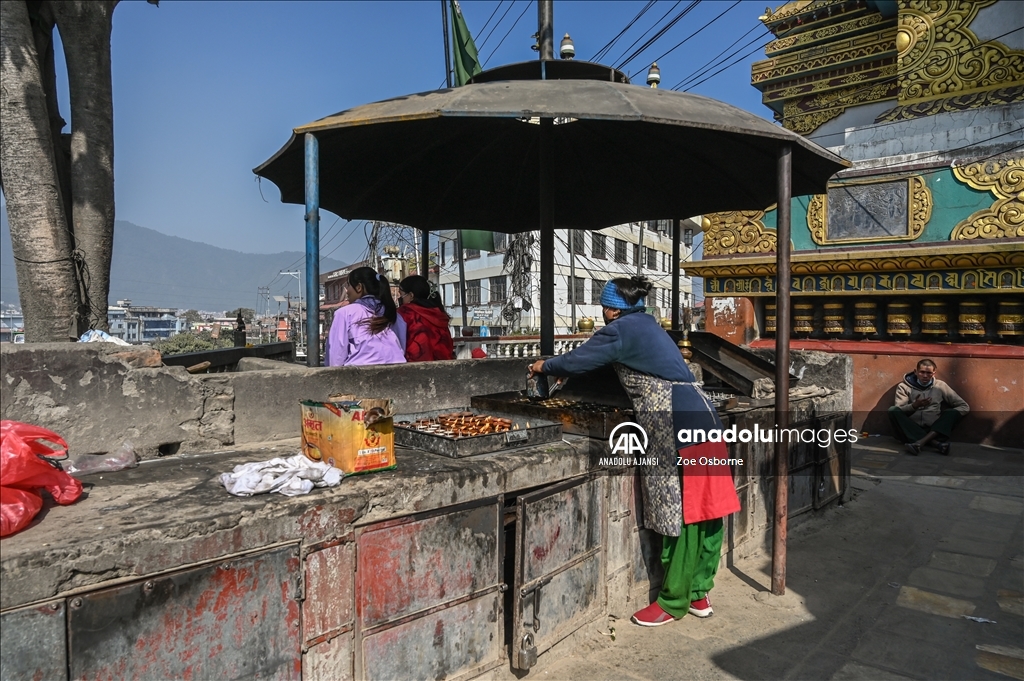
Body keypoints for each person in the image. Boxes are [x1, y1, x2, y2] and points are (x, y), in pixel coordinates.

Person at [528, 276, 740, 627]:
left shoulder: (620, 330)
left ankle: (672, 602)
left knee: (681, 512)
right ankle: (699, 591)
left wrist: (543, 366)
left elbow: (578, 361)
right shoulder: (648, 325)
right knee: (707, 509)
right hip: (703, 416)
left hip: (674, 422)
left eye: (603, 307)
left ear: (611, 309)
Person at [325, 267, 406, 367]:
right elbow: (401, 348)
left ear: (359, 287)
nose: (347, 291)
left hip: (360, 378)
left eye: (349, 285)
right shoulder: (393, 314)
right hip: (398, 374)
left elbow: (335, 359)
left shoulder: (344, 313)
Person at [888, 359, 969, 456]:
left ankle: (920, 442)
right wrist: (914, 406)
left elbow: (964, 406)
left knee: (951, 412)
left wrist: (945, 421)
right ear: (916, 372)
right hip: (910, 431)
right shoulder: (903, 387)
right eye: (922, 372)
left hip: (934, 430)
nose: (925, 376)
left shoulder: (940, 386)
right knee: (892, 410)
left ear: (934, 373)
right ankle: (935, 444)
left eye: (929, 373)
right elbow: (899, 410)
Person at [396, 275, 455, 362]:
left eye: (401, 294)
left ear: (411, 295)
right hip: (444, 367)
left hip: (414, 367)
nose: (400, 298)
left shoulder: (406, 312)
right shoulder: (439, 313)